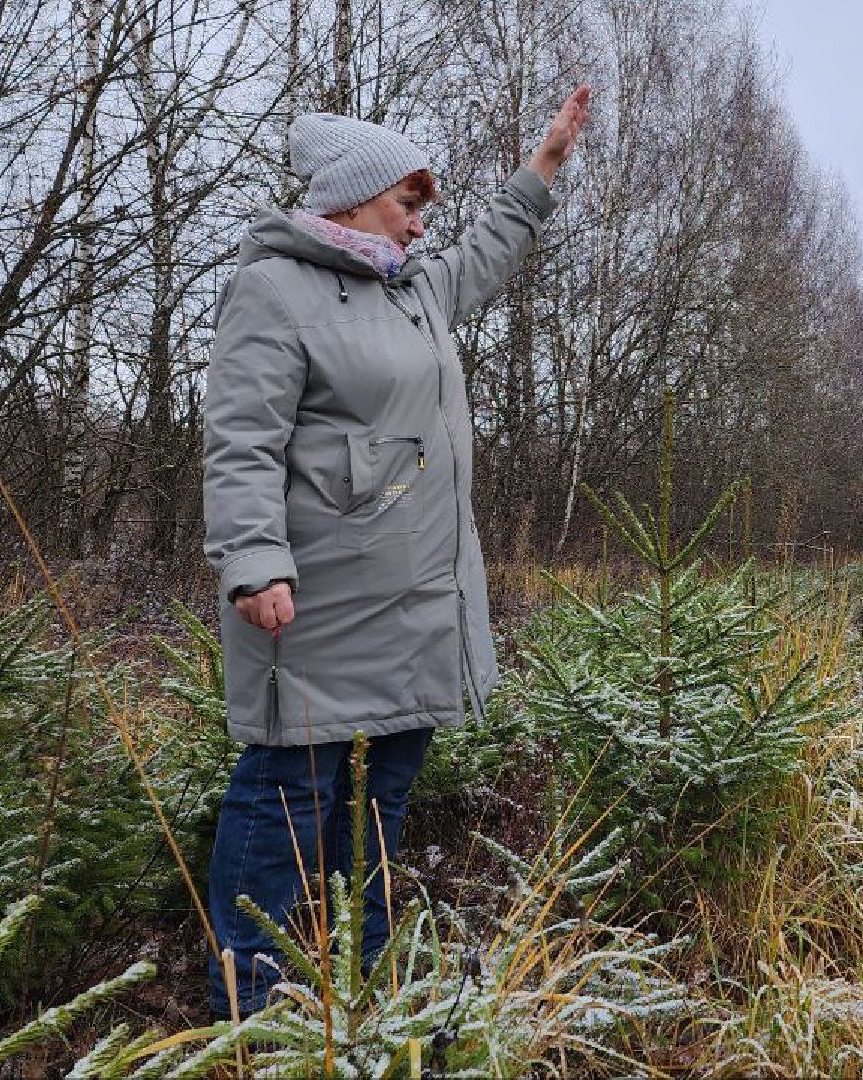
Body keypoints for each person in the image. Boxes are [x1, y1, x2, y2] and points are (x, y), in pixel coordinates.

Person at [200, 85, 592, 1018]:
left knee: (381, 799)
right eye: (408, 205)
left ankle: (357, 983)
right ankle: (246, 1001)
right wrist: (254, 561)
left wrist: (541, 169)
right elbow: (241, 439)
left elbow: (490, 253)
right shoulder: (272, 288)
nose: (421, 226)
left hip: (421, 598)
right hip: (319, 599)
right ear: (351, 197)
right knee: (285, 792)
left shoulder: (413, 290)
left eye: (424, 210)